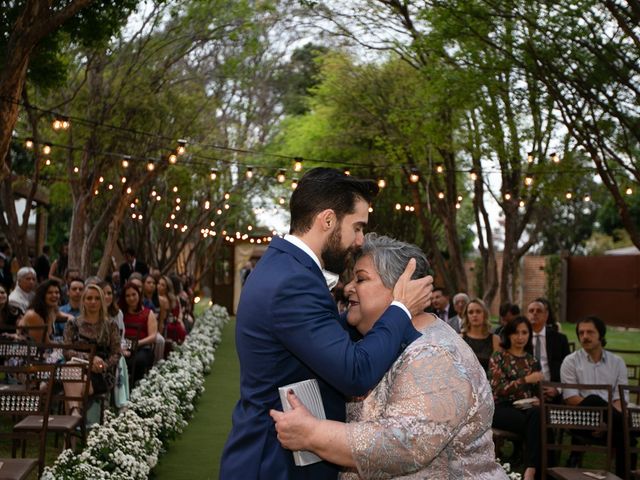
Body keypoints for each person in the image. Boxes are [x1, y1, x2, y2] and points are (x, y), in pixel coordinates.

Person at [220, 168, 433, 480]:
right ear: (328, 220)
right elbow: (355, 374)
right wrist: (400, 307)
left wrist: (356, 316)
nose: (359, 241)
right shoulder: (293, 281)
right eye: (357, 227)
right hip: (274, 464)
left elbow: (310, 336)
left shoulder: (285, 266)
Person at [270, 233, 503, 479]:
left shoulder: (435, 354)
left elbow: (402, 446)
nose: (348, 287)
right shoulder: (372, 340)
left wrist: (313, 434)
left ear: (403, 289)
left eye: (360, 279)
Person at [560, 315, 633, 477]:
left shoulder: (617, 362)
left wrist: (607, 420)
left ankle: (624, 476)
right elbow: (571, 398)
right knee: (594, 400)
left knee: (622, 438)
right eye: (581, 333)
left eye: (590, 332)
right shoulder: (570, 361)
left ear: (601, 335)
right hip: (580, 417)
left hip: (611, 422)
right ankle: (631, 430)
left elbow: (620, 398)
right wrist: (601, 417)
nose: (584, 337)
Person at [489, 316, 543, 480]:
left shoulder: (532, 361)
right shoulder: (498, 357)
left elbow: (537, 392)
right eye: (516, 333)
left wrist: (539, 398)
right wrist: (525, 380)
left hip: (526, 409)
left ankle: (530, 470)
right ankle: (536, 470)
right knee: (537, 425)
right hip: (501, 408)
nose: (520, 337)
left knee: (537, 415)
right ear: (509, 335)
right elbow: (497, 389)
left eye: (524, 333)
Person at [62, 284, 121, 415]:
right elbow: (66, 351)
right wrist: (90, 359)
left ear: (102, 301)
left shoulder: (111, 325)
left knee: (70, 376)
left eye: (97, 298)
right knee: (70, 367)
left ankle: (74, 416)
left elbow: (116, 353)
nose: (93, 302)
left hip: (101, 373)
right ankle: (75, 413)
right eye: (89, 298)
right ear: (83, 301)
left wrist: (103, 365)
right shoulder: (73, 324)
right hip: (78, 369)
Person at [526, 299, 570, 400]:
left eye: (539, 311)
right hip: (527, 392)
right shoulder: (521, 339)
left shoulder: (559, 339)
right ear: (527, 315)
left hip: (553, 391)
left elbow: (568, 369)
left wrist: (557, 389)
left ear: (546, 315)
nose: (535, 313)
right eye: (531, 311)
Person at [120, 281, 158, 385]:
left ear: (139, 295)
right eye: (128, 296)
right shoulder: (121, 314)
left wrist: (136, 343)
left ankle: (136, 387)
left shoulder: (148, 313)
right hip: (123, 348)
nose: (131, 298)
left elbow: (153, 336)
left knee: (138, 361)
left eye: (134, 294)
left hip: (142, 348)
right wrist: (125, 346)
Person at [18, 279, 72, 344]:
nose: (54, 295)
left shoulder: (53, 309)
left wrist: (72, 321)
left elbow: (67, 316)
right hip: (30, 351)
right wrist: (67, 344)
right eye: (50, 293)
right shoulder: (34, 315)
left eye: (57, 292)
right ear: (42, 296)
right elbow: (45, 344)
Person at [460, 298, 501, 372]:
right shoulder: (460, 339)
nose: (474, 315)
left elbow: (497, 368)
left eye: (478, 312)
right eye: (471, 312)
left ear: (484, 314)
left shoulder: (495, 340)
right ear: (467, 316)